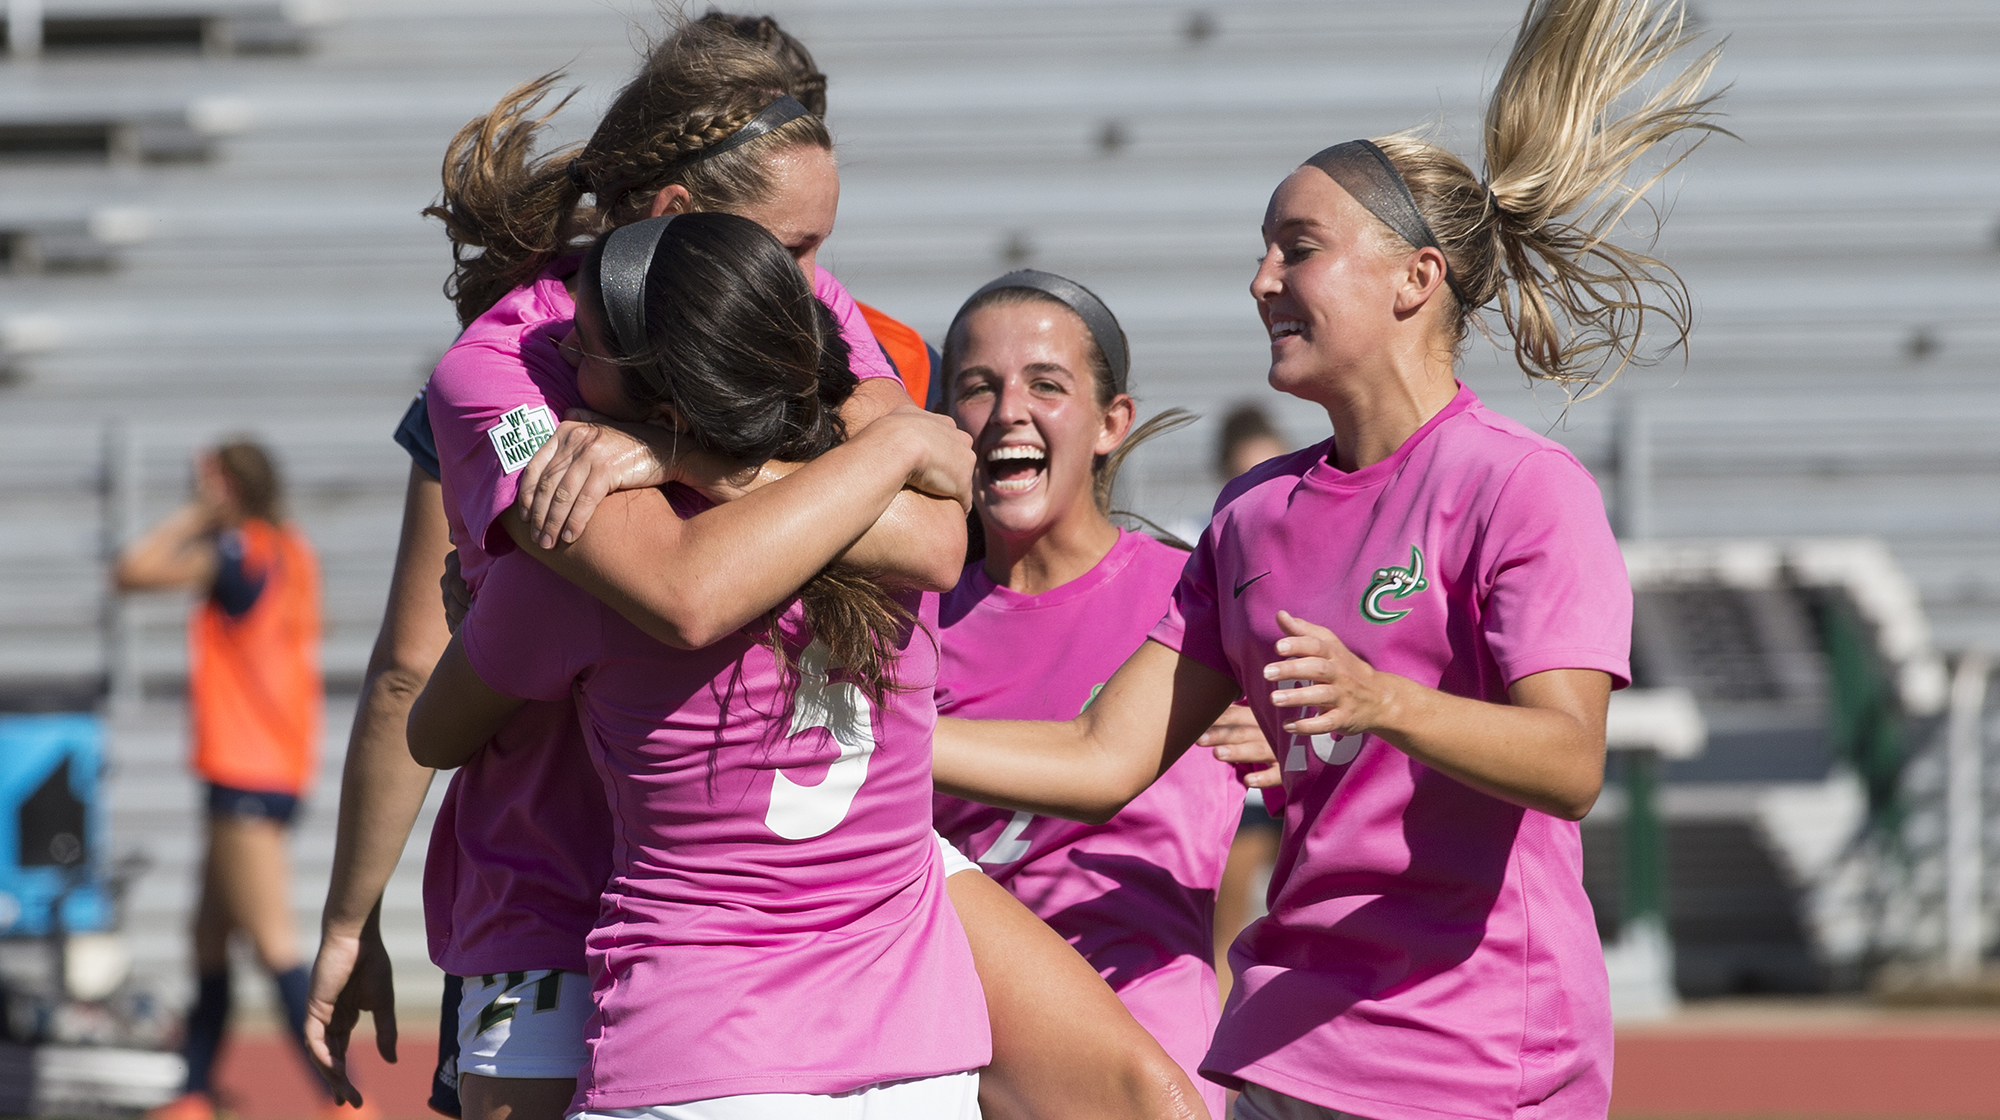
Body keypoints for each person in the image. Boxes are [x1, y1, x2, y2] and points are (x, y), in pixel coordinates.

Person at [304, 14, 1205, 1120]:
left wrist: (681, 457)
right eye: (796, 248)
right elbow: (683, 589)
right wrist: (878, 456)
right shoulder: (505, 367)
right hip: (568, 875)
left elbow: (931, 536)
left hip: (816, 873)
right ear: (682, 221)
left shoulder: (803, 304)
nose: (824, 284)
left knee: (1145, 1095)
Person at [931, 1, 1723, 1116]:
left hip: (1477, 1054)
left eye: (1295, 250)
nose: (1259, 280)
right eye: (1259, 251)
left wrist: (1383, 701)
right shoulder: (1250, 516)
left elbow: (1566, 760)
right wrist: (891, 742)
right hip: (1287, 1039)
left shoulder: (1518, 487)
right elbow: (1101, 754)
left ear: (1415, 279)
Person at [409, 212, 991, 1118]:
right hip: (918, 1058)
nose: (561, 346)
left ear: (667, 403)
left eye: (587, 344)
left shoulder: (577, 581)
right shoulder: (904, 537)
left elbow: (432, 729)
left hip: (701, 1047)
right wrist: (898, 441)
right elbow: (914, 528)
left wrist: (491, 610)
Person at [928, 269, 1242, 1120]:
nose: (1006, 412)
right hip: (962, 1066)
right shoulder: (905, 621)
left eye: (1045, 385)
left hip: (1149, 1067)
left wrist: (1295, 740)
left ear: (1112, 424)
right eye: (977, 387)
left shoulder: (1202, 603)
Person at [115, 443, 351, 1120]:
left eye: (205, 482)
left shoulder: (237, 551)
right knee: (206, 938)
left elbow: (130, 572)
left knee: (275, 946)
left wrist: (193, 516)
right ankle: (193, 1092)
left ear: (229, 488)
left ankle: (346, 1098)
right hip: (273, 761)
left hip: (246, 766)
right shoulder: (290, 547)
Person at [1207, 405, 1288, 997]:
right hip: (1239, 764)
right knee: (1225, 917)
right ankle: (1219, 1046)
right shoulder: (1207, 551)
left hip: (1309, 756)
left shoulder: (1313, 549)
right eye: (1244, 474)